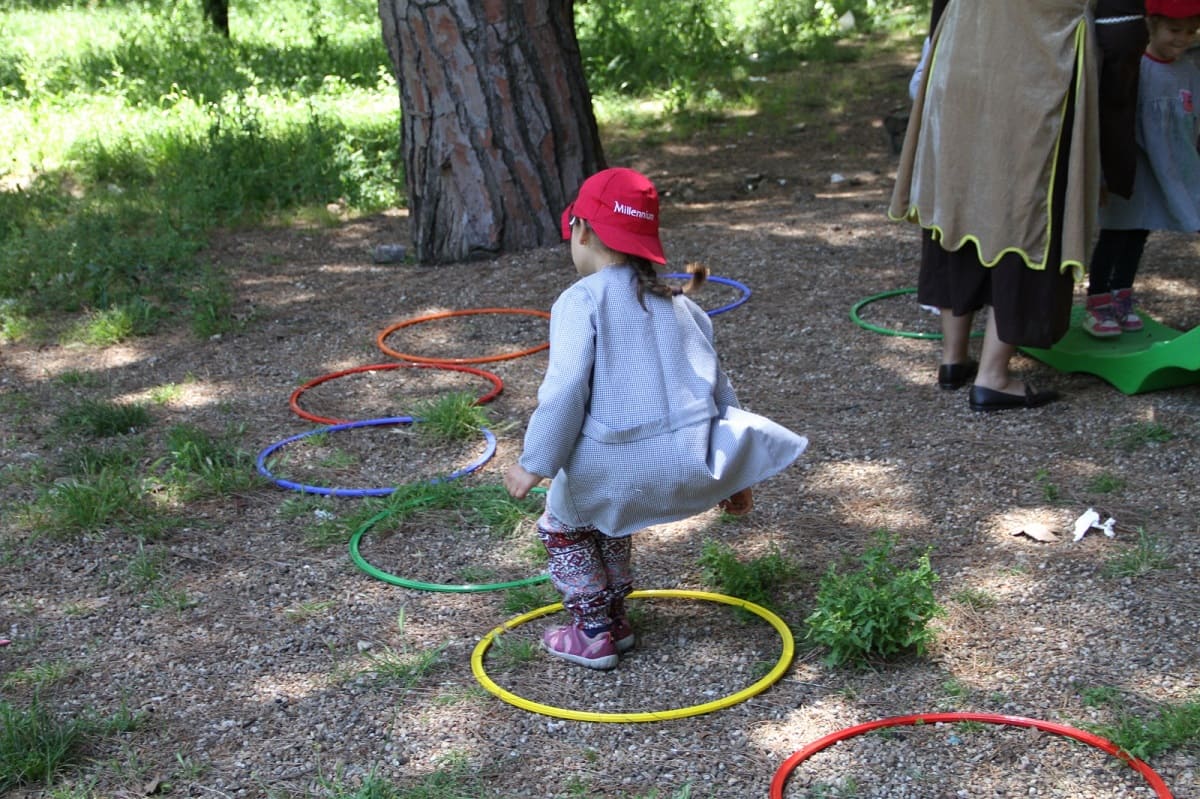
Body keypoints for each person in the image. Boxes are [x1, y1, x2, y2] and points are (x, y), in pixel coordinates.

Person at [503, 167, 808, 670]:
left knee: (563, 526)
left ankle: (593, 631)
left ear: (581, 231)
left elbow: (563, 393)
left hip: (613, 464)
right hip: (684, 464)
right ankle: (616, 617)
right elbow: (719, 391)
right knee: (609, 519)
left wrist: (535, 463)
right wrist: (736, 475)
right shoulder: (681, 304)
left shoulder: (581, 300)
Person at [889, 0, 1102, 410]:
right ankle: (993, 377)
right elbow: (1122, 25)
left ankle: (954, 358)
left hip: (961, 47)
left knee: (960, 194)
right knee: (1022, 209)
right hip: (1036, 64)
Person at [1083, 0, 1200, 337]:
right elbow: (1113, 122)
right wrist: (1104, 174)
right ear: (1152, 25)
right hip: (1129, 172)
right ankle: (1098, 303)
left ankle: (1122, 296)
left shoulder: (1189, 73)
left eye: (1190, 31)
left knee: (1138, 235)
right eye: (1174, 30)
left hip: (1161, 176)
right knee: (1115, 235)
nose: (1182, 38)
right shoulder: (1135, 68)